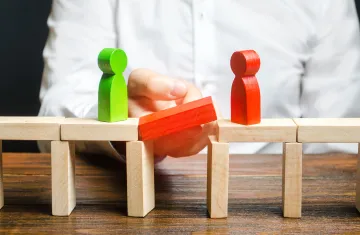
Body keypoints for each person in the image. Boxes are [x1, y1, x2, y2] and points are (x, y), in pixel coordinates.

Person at [38, 0, 360, 162]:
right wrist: (121, 129)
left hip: (273, 197)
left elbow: (340, 139)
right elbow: (56, 111)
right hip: (128, 187)